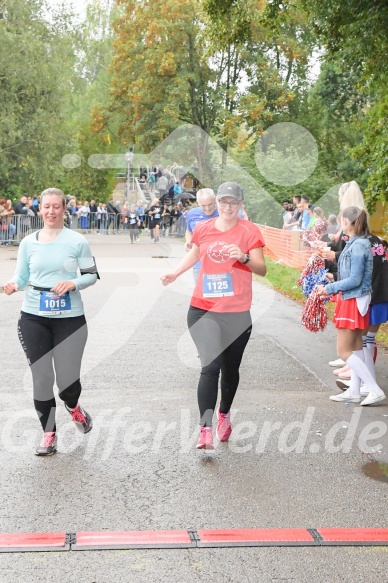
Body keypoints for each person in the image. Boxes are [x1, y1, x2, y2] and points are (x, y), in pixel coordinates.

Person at [161, 182, 267, 450]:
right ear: (217, 203)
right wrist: (175, 272)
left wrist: (243, 258)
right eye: (224, 201)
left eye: (233, 202)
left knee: (231, 369)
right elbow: (196, 253)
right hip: (203, 308)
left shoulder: (249, 231)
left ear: (240, 205)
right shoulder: (203, 228)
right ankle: (205, 428)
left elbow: (262, 269)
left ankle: (224, 414)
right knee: (210, 366)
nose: (227, 207)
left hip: (236, 313)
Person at [3, 188, 99, 456]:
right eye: (47, 206)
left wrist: (73, 283)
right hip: (34, 317)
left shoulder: (77, 241)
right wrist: (13, 284)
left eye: (56, 206)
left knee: (68, 383)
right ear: (40, 208)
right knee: (42, 378)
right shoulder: (28, 242)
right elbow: (21, 277)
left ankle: (73, 406)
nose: (51, 211)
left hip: (69, 319)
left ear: (64, 209)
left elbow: (91, 275)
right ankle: (49, 434)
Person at [316, 206, 386, 406]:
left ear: (346, 222)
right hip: (357, 298)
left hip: (353, 299)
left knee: (344, 351)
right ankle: (354, 391)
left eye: (341, 220)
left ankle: (373, 388)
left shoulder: (357, 245)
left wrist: (330, 288)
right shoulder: (360, 242)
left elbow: (354, 279)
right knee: (356, 349)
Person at [185, 188, 219, 283]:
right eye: (203, 205)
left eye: (210, 204)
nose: (207, 208)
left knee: (221, 296)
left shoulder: (224, 213)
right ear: (198, 203)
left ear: (215, 200)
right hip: (199, 264)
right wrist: (189, 242)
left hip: (220, 264)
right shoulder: (192, 214)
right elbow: (188, 231)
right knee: (202, 296)